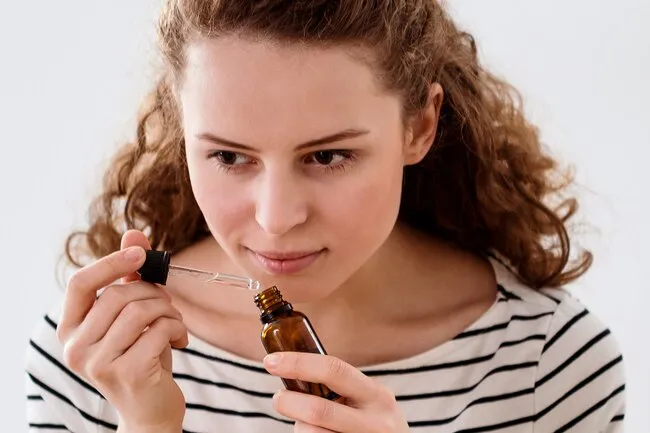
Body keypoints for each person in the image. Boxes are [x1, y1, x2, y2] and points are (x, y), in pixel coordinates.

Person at [24, 1, 626, 432]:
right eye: (229, 156)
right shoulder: (91, 360)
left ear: (419, 125)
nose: (277, 217)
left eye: (328, 155)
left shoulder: (547, 363)